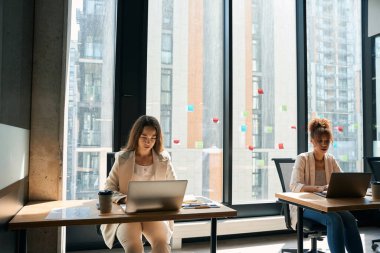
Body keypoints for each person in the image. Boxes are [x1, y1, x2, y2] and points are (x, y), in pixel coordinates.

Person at [100, 115, 176, 253]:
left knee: (162, 245)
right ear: (136, 136)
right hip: (127, 214)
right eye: (144, 137)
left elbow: (174, 187)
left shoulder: (164, 158)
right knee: (134, 248)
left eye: (153, 137)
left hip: (153, 212)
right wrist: (124, 198)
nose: (149, 141)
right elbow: (108, 188)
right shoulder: (123, 158)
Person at [289, 118, 363, 253]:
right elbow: (294, 186)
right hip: (306, 206)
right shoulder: (302, 158)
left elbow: (343, 180)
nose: (324, 144)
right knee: (334, 219)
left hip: (328, 204)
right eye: (320, 141)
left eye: (327, 141)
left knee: (350, 219)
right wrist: (319, 188)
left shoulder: (331, 159)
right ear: (312, 141)